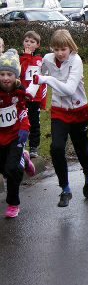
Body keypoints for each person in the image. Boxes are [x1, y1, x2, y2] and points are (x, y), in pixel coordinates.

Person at [33, 30, 88, 207]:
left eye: (64, 49)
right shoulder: (47, 59)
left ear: (71, 48)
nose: (60, 53)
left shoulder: (76, 60)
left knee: (81, 149)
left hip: (78, 109)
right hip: (59, 110)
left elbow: (68, 89)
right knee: (56, 148)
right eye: (56, 49)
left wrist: (47, 79)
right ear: (52, 48)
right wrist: (31, 90)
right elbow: (37, 77)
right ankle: (65, 189)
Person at [0, 49, 35, 218]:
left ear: (16, 76)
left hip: (15, 134)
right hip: (0, 136)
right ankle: (25, 158)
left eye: (9, 74)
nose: (6, 78)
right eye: (2, 74)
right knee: (4, 168)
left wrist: (23, 129)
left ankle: (13, 203)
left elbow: (22, 112)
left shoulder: (19, 92)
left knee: (12, 168)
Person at [19, 31, 46, 158]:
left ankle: (34, 147)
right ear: (23, 42)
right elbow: (21, 72)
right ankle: (21, 145)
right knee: (21, 121)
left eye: (32, 42)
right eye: (27, 41)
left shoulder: (40, 61)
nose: (29, 44)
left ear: (38, 45)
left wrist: (43, 100)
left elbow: (43, 81)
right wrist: (26, 57)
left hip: (35, 98)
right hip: (22, 96)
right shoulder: (19, 59)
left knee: (34, 123)